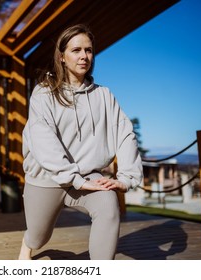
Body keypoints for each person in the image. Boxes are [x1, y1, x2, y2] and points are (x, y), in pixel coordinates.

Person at [18, 24, 143, 260]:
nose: (84, 56)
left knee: (108, 206)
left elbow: (125, 133)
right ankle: (27, 244)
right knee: (38, 236)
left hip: (89, 177)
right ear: (62, 56)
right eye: (76, 50)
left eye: (88, 50)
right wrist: (73, 178)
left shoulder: (103, 95)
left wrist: (127, 178)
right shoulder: (44, 93)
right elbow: (43, 140)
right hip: (47, 178)